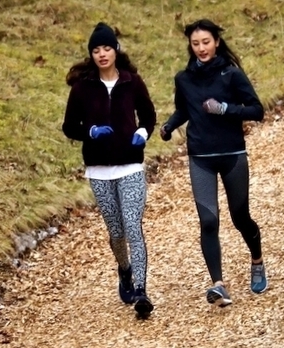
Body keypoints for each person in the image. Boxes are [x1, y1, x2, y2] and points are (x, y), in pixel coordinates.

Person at [159, 18, 267, 307]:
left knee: (240, 217)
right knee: (208, 220)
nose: (201, 48)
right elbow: (184, 109)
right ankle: (218, 285)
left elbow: (257, 111)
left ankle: (256, 259)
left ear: (216, 42)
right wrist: (169, 126)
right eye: (196, 44)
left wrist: (224, 109)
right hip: (200, 158)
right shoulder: (184, 79)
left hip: (232, 155)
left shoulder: (231, 75)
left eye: (206, 42)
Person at [62, 22, 157, 319]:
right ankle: (125, 270)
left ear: (115, 50)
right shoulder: (82, 88)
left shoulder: (132, 81)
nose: (102, 54)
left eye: (106, 48)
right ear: (91, 54)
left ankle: (141, 290)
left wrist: (142, 133)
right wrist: (90, 131)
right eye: (96, 50)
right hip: (100, 170)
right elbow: (69, 127)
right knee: (116, 232)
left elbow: (149, 115)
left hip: (130, 164)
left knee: (132, 226)